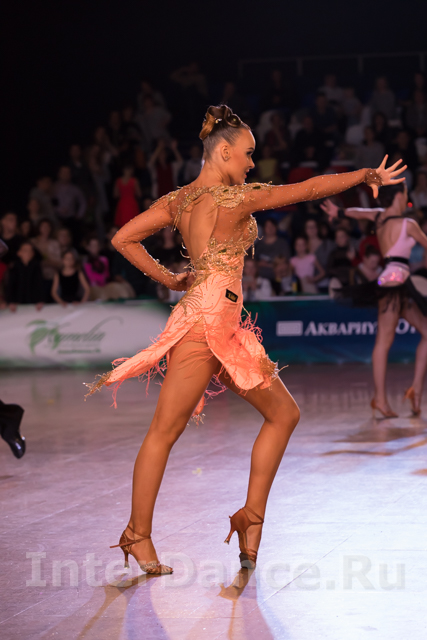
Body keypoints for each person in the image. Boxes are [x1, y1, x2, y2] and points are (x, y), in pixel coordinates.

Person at [85, 104, 404, 576]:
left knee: (284, 414)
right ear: (224, 152)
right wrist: (362, 175)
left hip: (223, 327)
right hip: (203, 326)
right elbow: (307, 189)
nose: (252, 163)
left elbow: (124, 239)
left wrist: (171, 280)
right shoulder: (233, 199)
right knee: (165, 431)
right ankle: (137, 533)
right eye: (248, 154)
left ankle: (250, 520)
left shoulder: (179, 200)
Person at [321, 176, 427, 419]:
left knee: (411, 335)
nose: (407, 198)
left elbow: (359, 212)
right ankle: (381, 398)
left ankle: (415, 390)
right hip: (396, 284)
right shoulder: (409, 224)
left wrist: (339, 212)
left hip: (392, 282)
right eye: (405, 193)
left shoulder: (379, 217)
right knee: (383, 342)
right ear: (399, 195)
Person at [5, 241, 45, 311]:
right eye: (25, 251)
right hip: (18, 302)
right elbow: (11, 285)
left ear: (33, 253)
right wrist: (11, 301)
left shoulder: (36, 266)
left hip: (33, 302)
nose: (28, 253)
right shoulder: (14, 267)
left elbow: (40, 284)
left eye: (30, 251)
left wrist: (40, 300)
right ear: (19, 253)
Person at [31, 218, 62, 300]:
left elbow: (60, 263)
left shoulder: (55, 243)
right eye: (43, 226)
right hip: (35, 278)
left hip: (52, 278)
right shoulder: (33, 242)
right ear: (39, 228)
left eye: (48, 226)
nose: (46, 229)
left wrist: (47, 262)